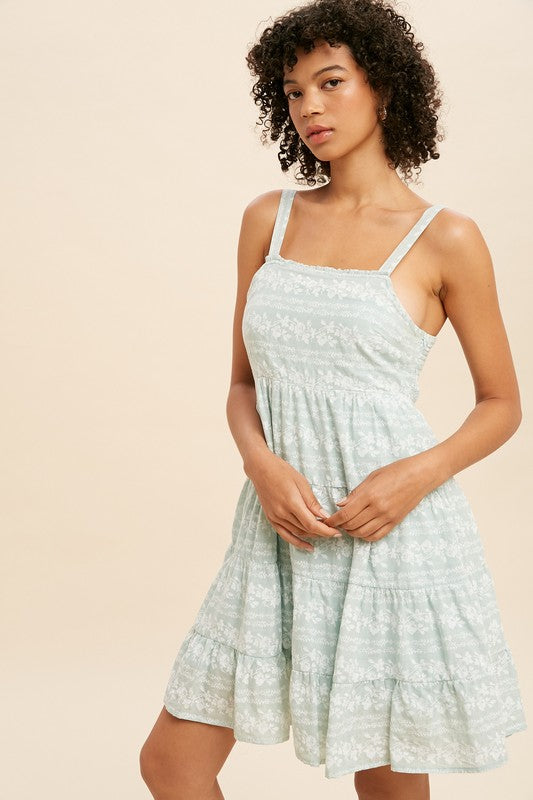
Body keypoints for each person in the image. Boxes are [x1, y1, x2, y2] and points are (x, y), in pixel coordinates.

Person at [139, 1, 528, 797]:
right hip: (278, 528)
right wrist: (261, 467)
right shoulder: (268, 219)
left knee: (384, 783)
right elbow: (242, 383)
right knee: (171, 763)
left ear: (382, 87)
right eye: (292, 92)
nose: (308, 107)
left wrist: (414, 476)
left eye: (330, 83)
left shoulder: (446, 237)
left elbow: (500, 404)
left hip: (390, 533)